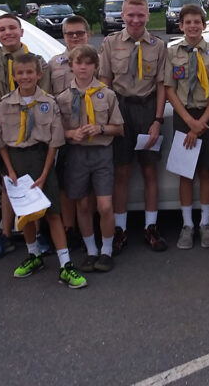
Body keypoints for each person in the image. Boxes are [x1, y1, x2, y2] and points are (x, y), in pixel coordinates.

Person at [0, 54, 87, 288]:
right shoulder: (4, 104)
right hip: (15, 163)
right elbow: (0, 142)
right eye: (20, 73)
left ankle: (65, 265)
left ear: (39, 75)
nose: (25, 77)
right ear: (14, 77)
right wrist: (10, 172)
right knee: (27, 216)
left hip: (41, 160)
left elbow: (54, 142)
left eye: (29, 73)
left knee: (53, 214)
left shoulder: (49, 103)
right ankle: (34, 255)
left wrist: (44, 175)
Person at [0, 13, 51, 260]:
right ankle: (6, 235)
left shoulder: (37, 61)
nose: (7, 33)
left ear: (22, 32)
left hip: (31, 121)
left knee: (32, 180)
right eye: (2, 29)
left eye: (12, 28)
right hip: (1, 121)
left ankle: (38, 234)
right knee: (7, 182)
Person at [99, 0, 169, 253]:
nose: (136, 20)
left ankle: (151, 227)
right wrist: (108, 115)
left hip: (147, 109)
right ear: (123, 15)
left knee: (150, 171)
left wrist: (157, 120)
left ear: (148, 16)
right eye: (131, 15)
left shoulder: (158, 46)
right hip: (120, 109)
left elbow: (162, 85)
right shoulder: (110, 43)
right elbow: (104, 81)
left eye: (141, 15)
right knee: (122, 172)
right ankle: (120, 229)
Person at [164, 4, 209, 249]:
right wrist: (190, 122)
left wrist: (201, 122)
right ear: (180, 25)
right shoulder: (172, 53)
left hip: (208, 116)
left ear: (204, 25)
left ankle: (205, 223)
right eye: (188, 22)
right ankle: (187, 224)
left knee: (205, 171)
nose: (193, 26)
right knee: (185, 173)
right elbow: (169, 89)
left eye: (197, 22)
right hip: (184, 115)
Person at [56, 45, 124, 273]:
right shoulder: (63, 98)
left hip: (101, 154)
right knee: (83, 204)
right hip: (76, 155)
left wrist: (101, 128)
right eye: (78, 63)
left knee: (105, 206)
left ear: (95, 66)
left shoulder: (107, 94)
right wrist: (70, 134)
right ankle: (91, 250)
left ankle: (106, 250)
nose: (83, 67)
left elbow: (119, 129)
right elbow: (55, 132)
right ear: (72, 66)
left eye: (88, 63)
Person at [50, 15, 95, 249]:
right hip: (65, 132)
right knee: (65, 184)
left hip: (94, 131)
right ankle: (69, 229)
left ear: (88, 34)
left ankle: (90, 226)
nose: (75, 37)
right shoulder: (54, 64)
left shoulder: (99, 61)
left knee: (93, 183)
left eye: (79, 33)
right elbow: (47, 100)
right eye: (70, 34)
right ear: (64, 36)